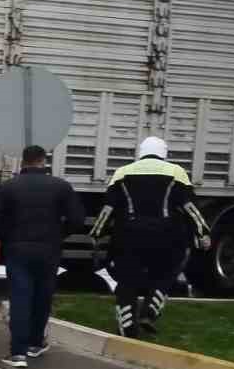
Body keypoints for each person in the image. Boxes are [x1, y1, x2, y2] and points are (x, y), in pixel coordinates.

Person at [89, 136, 210, 338]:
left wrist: (97, 233)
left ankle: (127, 328)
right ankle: (149, 313)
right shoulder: (176, 172)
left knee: (127, 280)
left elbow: (108, 209)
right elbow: (191, 208)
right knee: (163, 275)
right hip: (166, 236)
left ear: (141, 152)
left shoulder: (122, 172)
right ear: (164, 153)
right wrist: (203, 232)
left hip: (128, 235)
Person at [0, 145, 86, 368]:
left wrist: (6, 236)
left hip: (18, 248)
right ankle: (35, 343)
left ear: (24, 161)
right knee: (43, 296)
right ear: (44, 161)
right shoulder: (61, 187)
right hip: (49, 249)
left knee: (21, 297)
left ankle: (18, 353)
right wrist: (60, 234)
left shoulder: (8, 188)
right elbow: (77, 218)